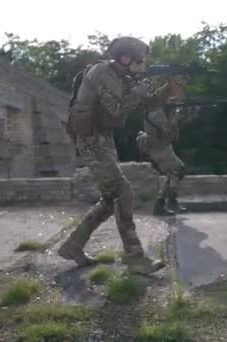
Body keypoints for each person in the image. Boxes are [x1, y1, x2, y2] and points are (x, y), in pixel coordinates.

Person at [58, 36, 183, 274]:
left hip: (103, 138)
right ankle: (135, 258)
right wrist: (141, 88)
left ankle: (72, 246)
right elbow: (117, 109)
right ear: (125, 58)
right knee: (122, 192)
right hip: (90, 139)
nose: (143, 67)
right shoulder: (102, 73)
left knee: (109, 199)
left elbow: (146, 104)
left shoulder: (122, 77)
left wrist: (168, 88)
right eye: (140, 62)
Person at [136, 92, 198, 216]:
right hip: (156, 147)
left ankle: (166, 202)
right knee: (177, 170)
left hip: (164, 146)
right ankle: (167, 202)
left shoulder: (164, 110)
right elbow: (169, 131)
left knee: (175, 172)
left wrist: (191, 113)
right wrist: (176, 116)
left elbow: (178, 128)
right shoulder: (155, 113)